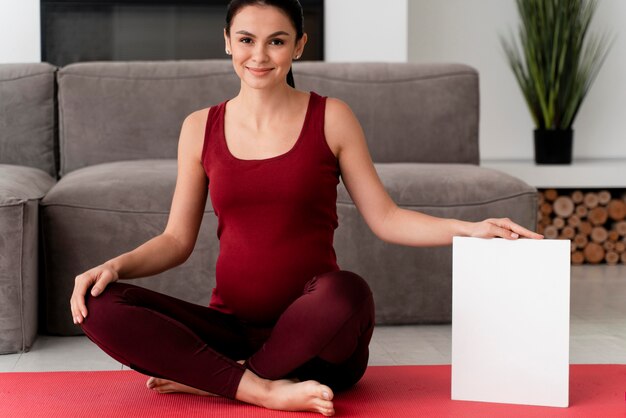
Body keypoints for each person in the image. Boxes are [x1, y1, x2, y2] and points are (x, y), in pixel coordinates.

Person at [69, 0, 544, 416]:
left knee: (349, 293)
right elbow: (176, 241)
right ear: (228, 43)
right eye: (247, 40)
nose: (259, 55)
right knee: (97, 304)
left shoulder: (331, 116)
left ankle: (219, 379)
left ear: (298, 46)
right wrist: (113, 265)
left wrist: (470, 228)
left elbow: (387, 217)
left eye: (276, 41)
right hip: (230, 331)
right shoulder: (199, 127)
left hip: (317, 342)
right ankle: (256, 387)